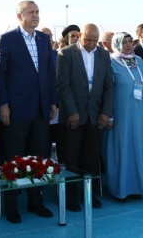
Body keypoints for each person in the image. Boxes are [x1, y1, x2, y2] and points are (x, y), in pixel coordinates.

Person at [0, 0, 58, 224]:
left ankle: (35, 200)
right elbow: (0, 73)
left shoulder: (43, 39)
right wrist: (2, 104)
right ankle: (12, 205)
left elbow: (50, 72)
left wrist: (53, 101)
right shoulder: (8, 38)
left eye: (38, 11)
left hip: (41, 109)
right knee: (14, 158)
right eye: (31, 12)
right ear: (19, 16)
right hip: (16, 110)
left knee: (39, 157)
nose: (36, 15)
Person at [57, 24, 113, 211]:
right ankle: (70, 198)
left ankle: (91, 194)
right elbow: (63, 86)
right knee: (71, 158)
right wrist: (72, 111)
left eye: (94, 41)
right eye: (88, 39)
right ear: (80, 35)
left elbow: (108, 86)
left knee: (91, 157)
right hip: (73, 115)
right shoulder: (66, 54)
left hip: (95, 116)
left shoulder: (104, 55)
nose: (91, 44)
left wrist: (106, 112)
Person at [102, 32, 143, 201]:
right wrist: (109, 115)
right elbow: (106, 91)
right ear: (116, 44)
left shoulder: (138, 61)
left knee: (139, 147)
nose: (129, 45)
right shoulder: (111, 62)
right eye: (124, 42)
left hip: (139, 114)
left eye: (130, 42)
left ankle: (138, 187)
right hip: (121, 114)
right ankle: (121, 190)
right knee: (122, 149)